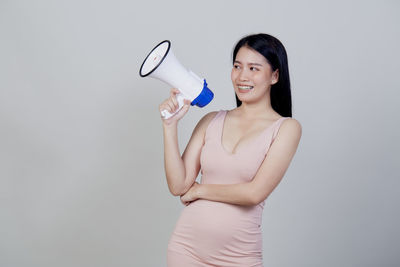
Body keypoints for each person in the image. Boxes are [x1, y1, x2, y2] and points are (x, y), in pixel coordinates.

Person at [159, 33, 302, 267]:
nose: (242, 76)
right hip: (186, 249)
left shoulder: (286, 128)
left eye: (254, 68)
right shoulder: (210, 120)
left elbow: (254, 193)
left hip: (239, 257)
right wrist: (169, 126)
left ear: (274, 76)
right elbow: (178, 185)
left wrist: (199, 191)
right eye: (237, 66)